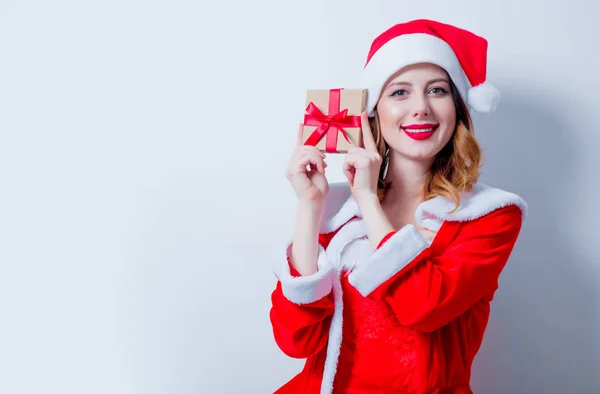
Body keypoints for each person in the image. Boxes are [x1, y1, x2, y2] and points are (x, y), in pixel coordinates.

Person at [270, 19, 528, 394]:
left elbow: (422, 307)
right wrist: (311, 206)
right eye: (400, 92)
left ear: (456, 107)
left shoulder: (490, 215)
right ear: (373, 111)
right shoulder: (336, 210)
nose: (421, 108)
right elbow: (296, 341)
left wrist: (369, 200)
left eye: (437, 90)